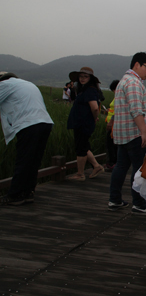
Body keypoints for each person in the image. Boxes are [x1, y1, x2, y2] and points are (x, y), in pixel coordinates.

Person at [108, 52, 146, 214]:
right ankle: (139, 203)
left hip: (124, 135)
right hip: (135, 134)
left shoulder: (123, 81)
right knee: (139, 169)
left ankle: (114, 199)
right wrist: (144, 133)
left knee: (121, 166)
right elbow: (136, 111)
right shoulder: (134, 83)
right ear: (137, 65)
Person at [0, 72, 54, 205]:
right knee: (34, 160)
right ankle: (28, 192)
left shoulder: (4, 85)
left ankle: (15, 195)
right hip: (45, 123)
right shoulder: (26, 84)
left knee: (23, 159)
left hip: (29, 124)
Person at [66, 67, 105, 181]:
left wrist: (95, 118)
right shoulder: (84, 89)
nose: (82, 79)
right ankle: (97, 166)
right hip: (81, 122)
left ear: (90, 78)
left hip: (83, 123)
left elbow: (94, 108)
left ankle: (80, 174)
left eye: (85, 77)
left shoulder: (90, 90)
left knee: (81, 148)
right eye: (81, 77)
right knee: (83, 145)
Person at [104, 80, 119, 171]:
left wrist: (110, 122)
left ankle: (112, 163)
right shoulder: (117, 96)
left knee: (111, 144)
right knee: (112, 144)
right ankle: (114, 163)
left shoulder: (119, 97)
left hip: (114, 125)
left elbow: (118, 110)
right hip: (114, 124)